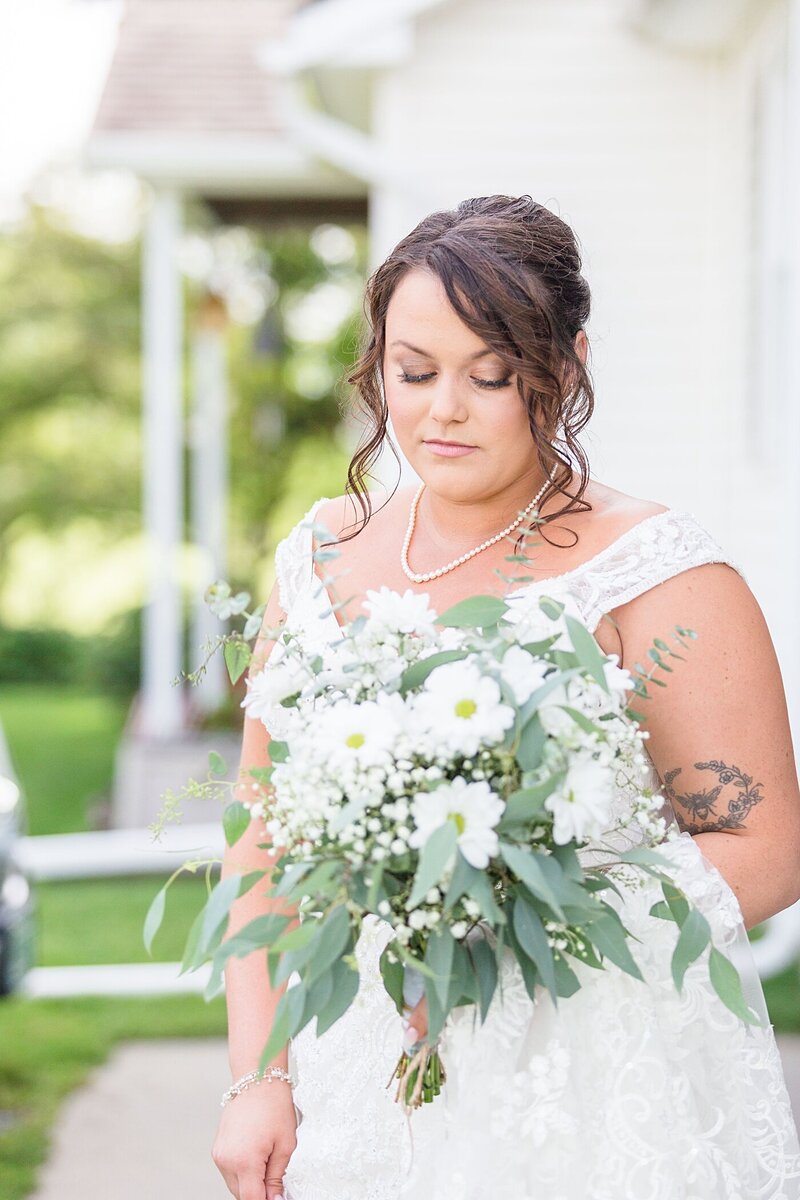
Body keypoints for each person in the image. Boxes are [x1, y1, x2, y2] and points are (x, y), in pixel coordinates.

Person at [211, 194, 800, 1199]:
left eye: (489, 375)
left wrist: (510, 920)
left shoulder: (657, 574)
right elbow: (264, 831)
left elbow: (764, 850)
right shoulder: (317, 555)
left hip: (579, 1074)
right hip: (361, 1070)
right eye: (413, 370)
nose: (443, 408)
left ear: (565, 365)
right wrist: (258, 1076)